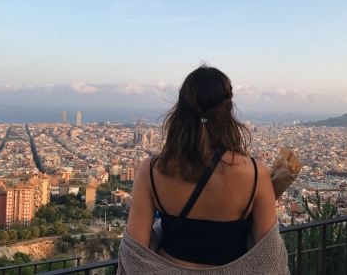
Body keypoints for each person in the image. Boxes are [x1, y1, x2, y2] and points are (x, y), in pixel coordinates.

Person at [120, 65, 287, 274]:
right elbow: (268, 259)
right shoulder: (255, 174)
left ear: (181, 109)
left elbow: (135, 253)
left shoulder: (152, 170)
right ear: (228, 110)